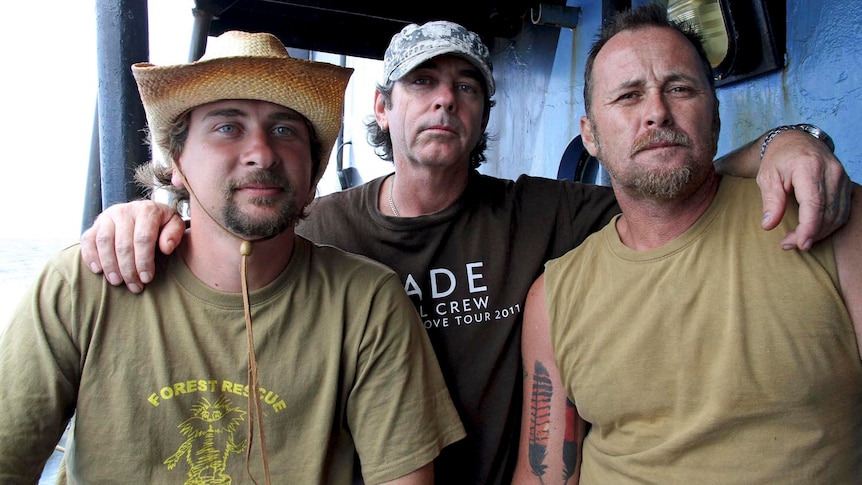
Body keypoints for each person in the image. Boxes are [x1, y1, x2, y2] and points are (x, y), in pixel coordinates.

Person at [77, 21, 850, 485]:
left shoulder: (544, 215)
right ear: (383, 107)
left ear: (485, 114)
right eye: (421, 83)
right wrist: (153, 213)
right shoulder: (318, 231)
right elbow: (230, 235)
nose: (446, 98)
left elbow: (664, 179)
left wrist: (792, 140)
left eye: (467, 86)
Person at [0, 31, 465, 484]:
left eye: (284, 130)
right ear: (176, 162)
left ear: (311, 171)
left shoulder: (367, 303)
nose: (261, 153)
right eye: (227, 127)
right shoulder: (84, 285)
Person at [514, 5, 862, 484]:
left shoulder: (825, 214)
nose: (657, 112)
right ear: (589, 135)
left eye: (680, 89)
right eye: (628, 96)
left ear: (714, 115)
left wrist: (789, 139)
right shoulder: (553, 299)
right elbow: (546, 474)